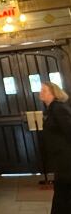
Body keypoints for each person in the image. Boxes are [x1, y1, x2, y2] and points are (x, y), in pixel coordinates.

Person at [40, 81, 71, 214]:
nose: (41, 92)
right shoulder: (51, 109)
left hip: (66, 157)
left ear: (53, 93)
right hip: (60, 157)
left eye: (44, 90)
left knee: (63, 190)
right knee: (62, 190)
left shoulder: (59, 108)